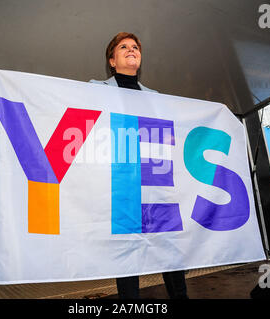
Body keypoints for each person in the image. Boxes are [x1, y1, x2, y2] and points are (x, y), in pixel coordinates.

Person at [90, 32, 188, 299]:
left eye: (135, 47)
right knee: (127, 255)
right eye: (123, 47)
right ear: (112, 60)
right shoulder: (94, 89)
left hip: (155, 179)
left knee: (171, 250)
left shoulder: (155, 96)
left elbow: (167, 136)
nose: (131, 50)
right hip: (122, 182)